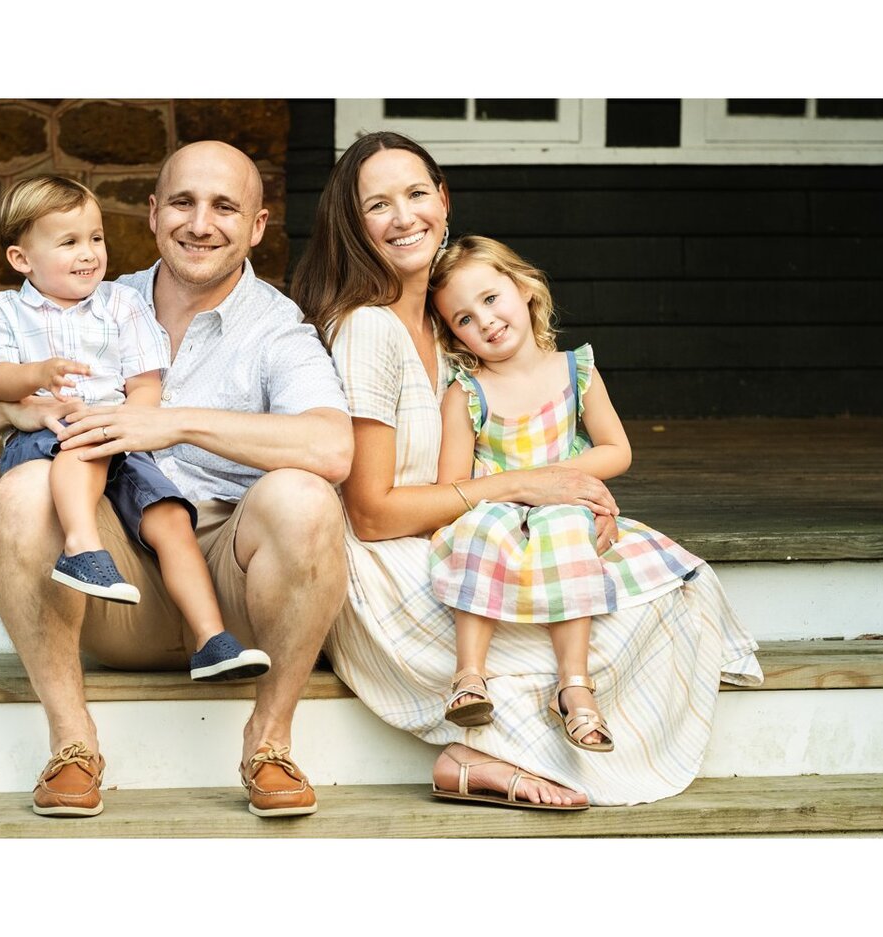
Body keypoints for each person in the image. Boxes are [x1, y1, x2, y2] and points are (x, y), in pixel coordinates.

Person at [299, 131, 760, 811]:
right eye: (378, 205)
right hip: (386, 562)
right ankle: (483, 755)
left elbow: (522, 455)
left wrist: (570, 495)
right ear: (352, 224)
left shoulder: (442, 328)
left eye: (417, 194)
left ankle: (496, 744)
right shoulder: (370, 329)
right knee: (604, 613)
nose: (403, 216)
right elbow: (369, 514)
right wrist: (527, 487)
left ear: (443, 198)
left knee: (657, 585)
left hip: (461, 525)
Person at [0, 141, 351, 819]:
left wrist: (175, 423)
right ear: (153, 215)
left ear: (259, 226)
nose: (200, 223)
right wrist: (18, 404)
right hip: (110, 573)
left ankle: (269, 742)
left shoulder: (277, 328)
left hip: (234, 583)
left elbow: (332, 445)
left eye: (224, 207)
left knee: (305, 496)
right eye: (183, 202)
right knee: (23, 488)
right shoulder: (91, 298)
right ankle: (73, 745)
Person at [0, 174, 269, 689]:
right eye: (69, 242)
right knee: (81, 447)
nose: (89, 254)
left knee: (171, 518)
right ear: (21, 259)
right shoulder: (2, 314)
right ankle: (83, 548)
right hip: (48, 435)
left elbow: (144, 382)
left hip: (118, 437)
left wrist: (131, 424)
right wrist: (37, 377)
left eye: (96, 238)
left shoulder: (122, 305)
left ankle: (211, 638)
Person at [423, 236, 705, 763]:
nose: (483, 321)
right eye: (463, 319)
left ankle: (573, 686)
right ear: (453, 334)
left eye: (490, 298)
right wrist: (515, 489)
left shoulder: (576, 370)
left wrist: (552, 481)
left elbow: (616, 450)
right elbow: (451, 487)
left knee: (567, 528)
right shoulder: (466, 392)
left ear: (525, 288)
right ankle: (469, 677)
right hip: (497, 508)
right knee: (481, 530)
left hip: (563, 505)